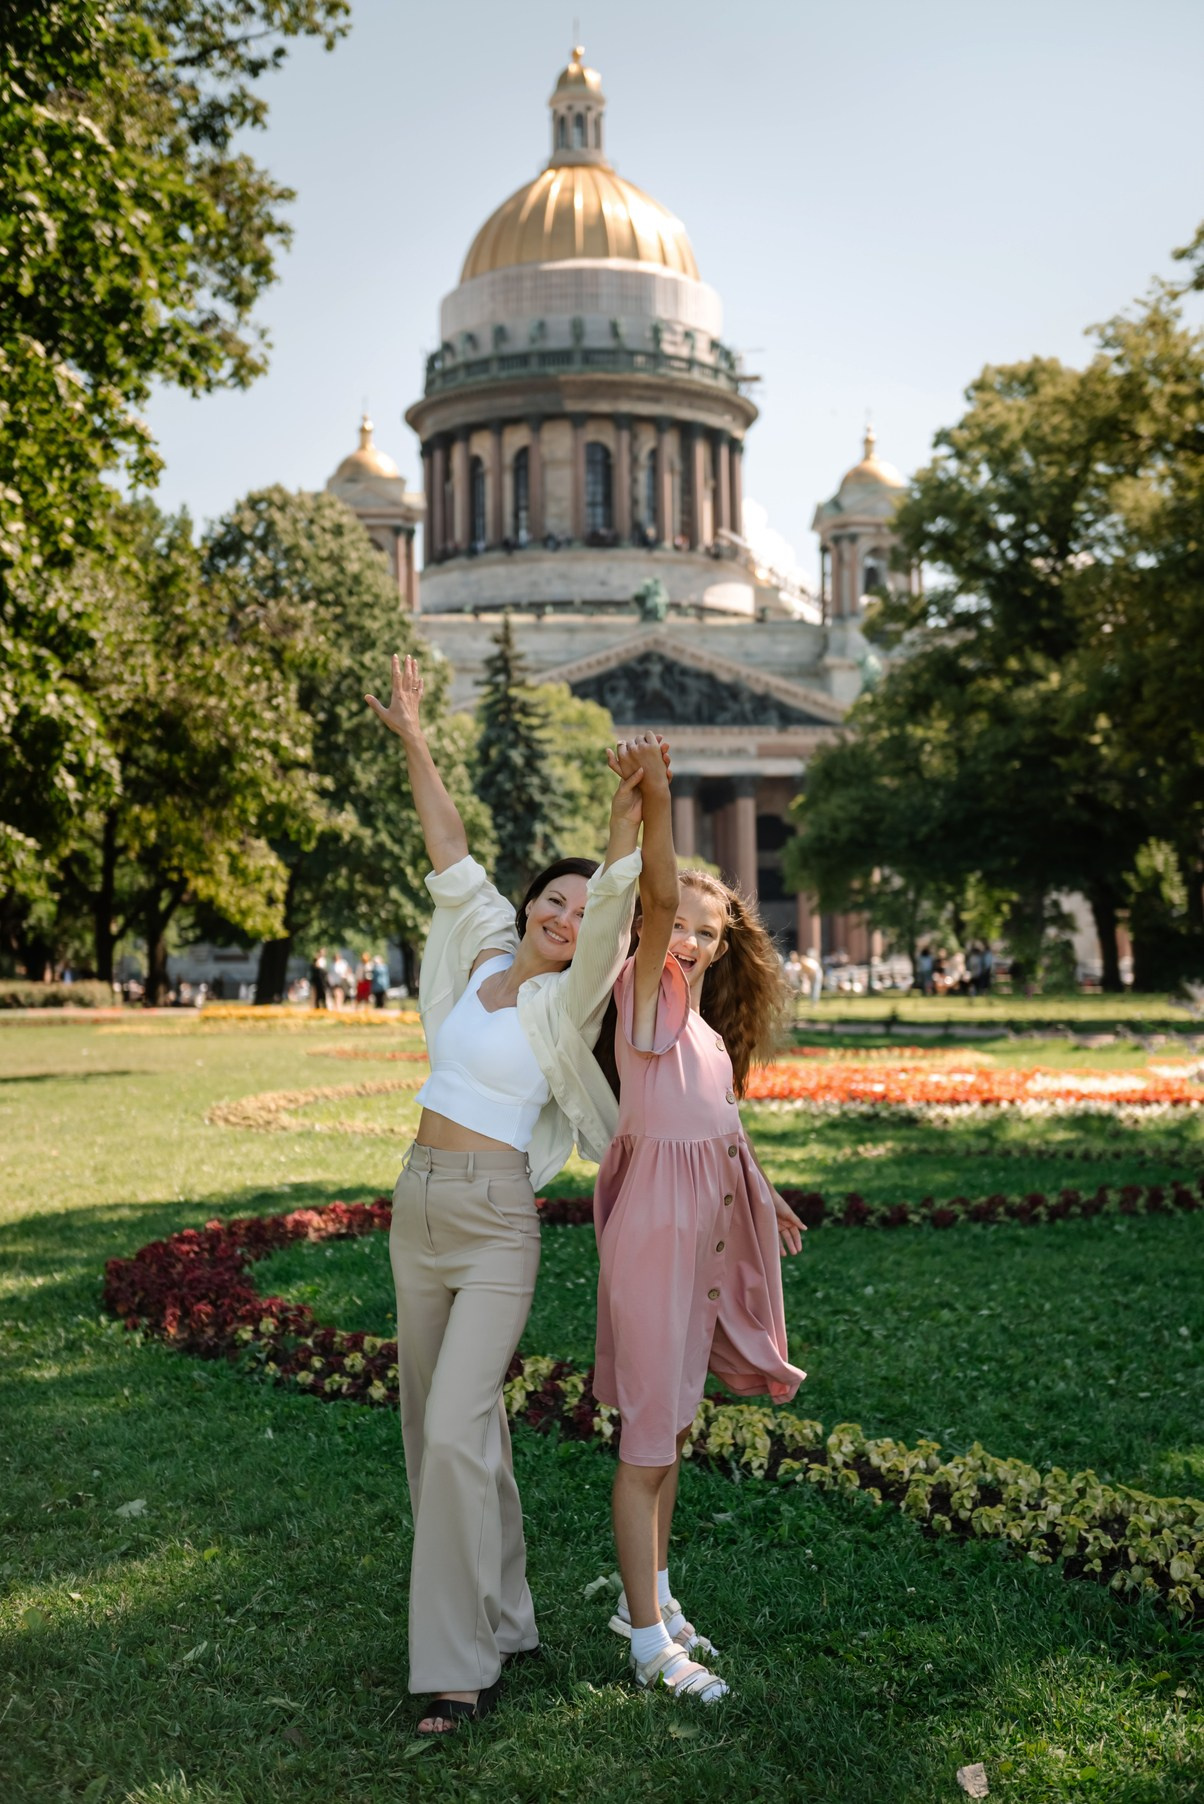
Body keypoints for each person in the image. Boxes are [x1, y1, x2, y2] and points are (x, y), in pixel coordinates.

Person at [365, 652, 660, 1736]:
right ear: (530, 902)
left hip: (496, 1222)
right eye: (554, 896)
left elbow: (624, 897)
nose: (566, 914)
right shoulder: (482, 946)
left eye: (584, 910)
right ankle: (503, 1613)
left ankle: (455, 1667)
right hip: (418, 1203)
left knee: (453, 1426)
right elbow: (449, 848)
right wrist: (414, 736)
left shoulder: (572, 1000)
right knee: (438, 1429)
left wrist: (628, 810)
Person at [591, 741, 806, 1705]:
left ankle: (659, 1599)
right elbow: (653, 891)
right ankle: (644, 1645)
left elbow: (717, 1132)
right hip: (653, 1239)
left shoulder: (708, 1034)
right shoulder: (644, 999)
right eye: (676, 921)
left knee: (671, 1431)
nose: (690, 939)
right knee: (646, 1441)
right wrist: (661, 802)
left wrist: (765, 1193)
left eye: (709, 933)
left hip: (701, 1231)